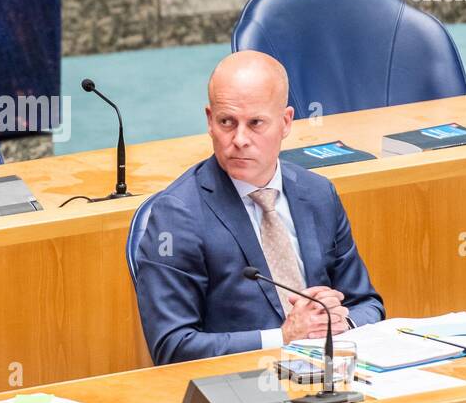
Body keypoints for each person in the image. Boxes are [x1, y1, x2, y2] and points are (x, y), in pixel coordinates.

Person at [134, 51, 384, 364]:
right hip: (240, 389)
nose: (239, 139)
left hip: (329, 372)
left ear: (286, 122)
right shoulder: (177, 215)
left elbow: (368, 304)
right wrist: (284, 337)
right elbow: (172, 346)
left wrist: (337, 322)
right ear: (210, 121)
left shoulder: (318, 194)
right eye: (227, 122)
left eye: (255, 124)